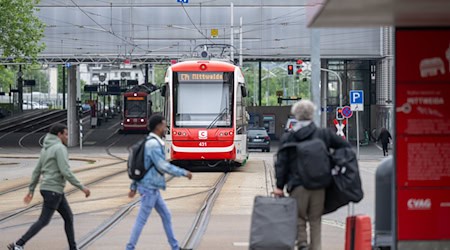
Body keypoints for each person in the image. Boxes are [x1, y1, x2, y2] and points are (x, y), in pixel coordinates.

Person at [274, 100, 350, 250]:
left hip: (297, 186)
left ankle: (302, 244)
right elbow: (344, 147)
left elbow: (282, 163)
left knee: (299, 217)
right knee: (315, 219)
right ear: (312, 114)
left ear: (296, 115)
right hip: (320, 185)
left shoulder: (290, 137)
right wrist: (334, 164)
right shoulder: (323, 134)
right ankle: (316, 247)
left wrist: (279, 186)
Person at [8, 124, 91, 250]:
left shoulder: (45, 149)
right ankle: (19, 244)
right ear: (59, 135)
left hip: (50, 189)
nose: (67, 137)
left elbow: (36, 171)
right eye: (66, 134)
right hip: (54, 190)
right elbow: (65, 171)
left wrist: (31, 190)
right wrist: (82, 187)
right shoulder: (59, 148)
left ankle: (73, 248)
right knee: (44, 220)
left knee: (68, 217)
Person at [126, 114, 193, 250]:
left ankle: (175, 247)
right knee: (141, 219)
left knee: (166, 215)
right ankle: (129, 248)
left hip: (152, 188)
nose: (165, 127)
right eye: (163, 124)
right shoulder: (153, 145)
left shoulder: (148, 142)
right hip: (149, 188)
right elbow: (162, 165)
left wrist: (133, 186)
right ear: (158, 127)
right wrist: (183, 172)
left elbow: (140, 165)